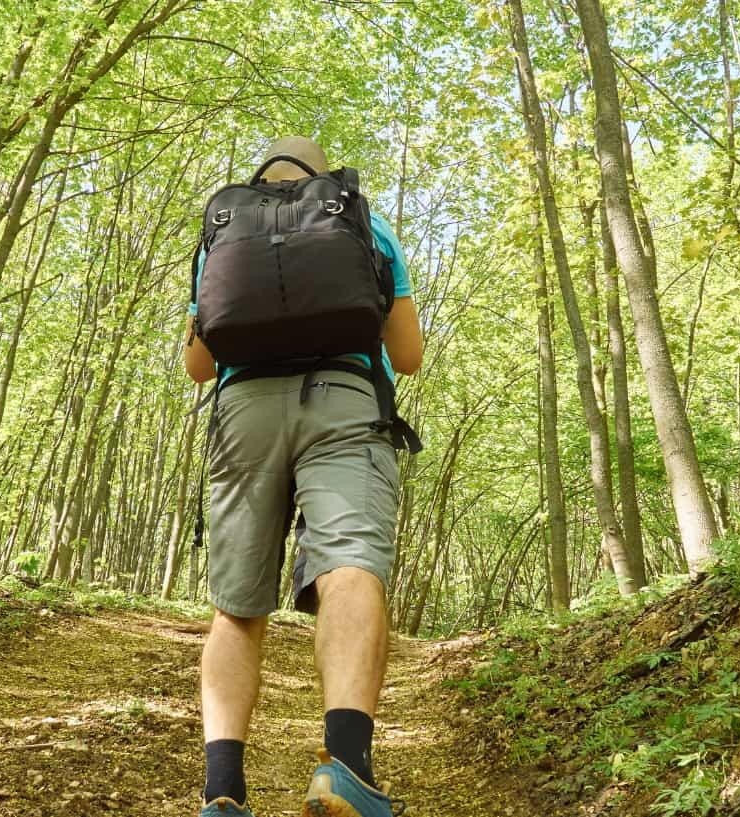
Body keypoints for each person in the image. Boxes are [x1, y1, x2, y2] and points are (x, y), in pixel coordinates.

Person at [184, 136, 422, 817]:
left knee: (237, 607)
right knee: (349, 564)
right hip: (344, 399)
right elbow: (406, 355)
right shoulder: (363, 221)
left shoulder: (222, 231)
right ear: (322, 177)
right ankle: (346, 765)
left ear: (263, 175)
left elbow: (199, 366)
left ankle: (222, 792)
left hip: (245, 412)